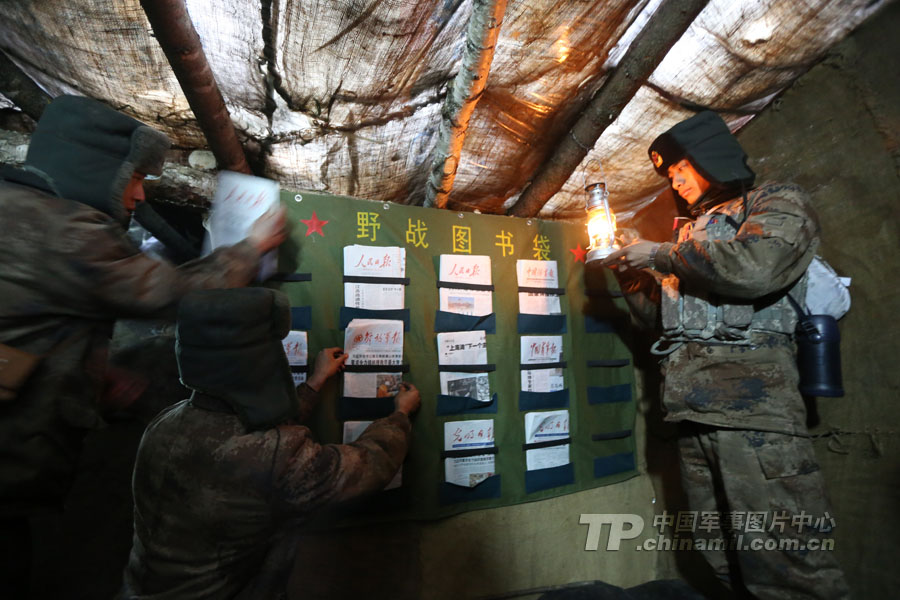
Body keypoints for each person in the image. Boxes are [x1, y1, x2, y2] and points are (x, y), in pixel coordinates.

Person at [0, 95, 286, 595]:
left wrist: (83, 372)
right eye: (132, 179)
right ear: (95, 168)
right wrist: (252, 247)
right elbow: (173, 294)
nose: (136, 198)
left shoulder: (15, 208)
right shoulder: (65, 231)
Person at [603, 111, 849, 599]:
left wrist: (659, 255)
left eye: (681, 168)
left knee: (786, 568)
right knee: (722, 563)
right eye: (669, 175)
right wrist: (631, 275)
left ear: (710, 158)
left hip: (755, 418)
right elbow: (662, 319)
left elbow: (758, 268)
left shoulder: (775, 203)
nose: (675, 180)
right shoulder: (689, 235)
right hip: (692, 417)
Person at [120, 287, 420, 599]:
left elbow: (252, 430)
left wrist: (315, 383)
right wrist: (400, 414)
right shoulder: (277, 457)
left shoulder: (164, 424)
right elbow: (368, 465)